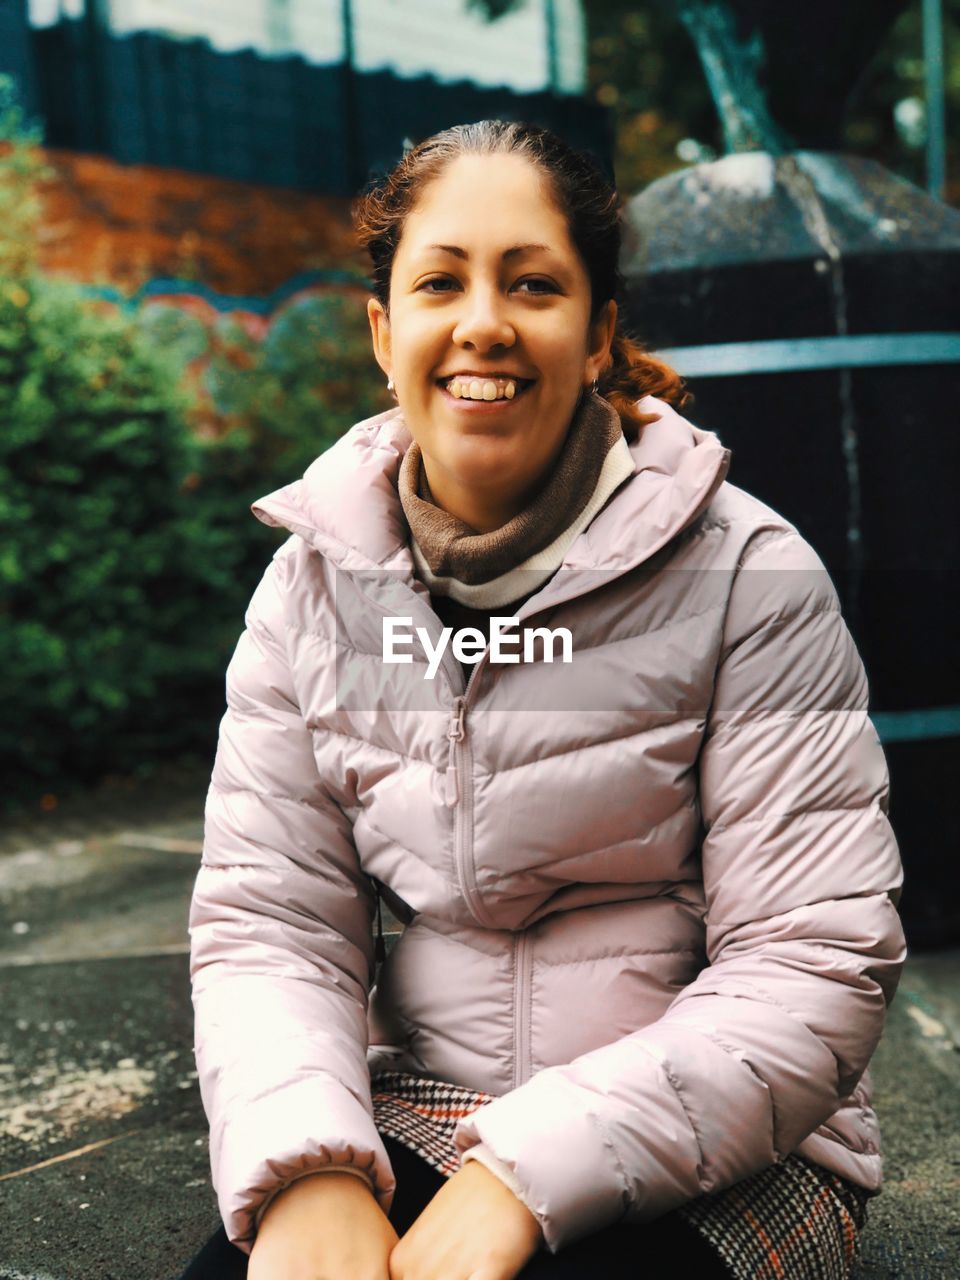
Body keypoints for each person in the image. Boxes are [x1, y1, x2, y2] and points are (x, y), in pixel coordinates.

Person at [177, 120, 905, 1280]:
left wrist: (527, 1172)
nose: (482, 322)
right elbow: (272, 927)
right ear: (383, 330)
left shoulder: (750, 575)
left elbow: (811, 959)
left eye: (533, 283)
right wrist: (309, 1164)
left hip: (735, 1139)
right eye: (438, 281)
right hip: (429, 1102)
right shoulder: (310, 590)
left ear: (599, 330)